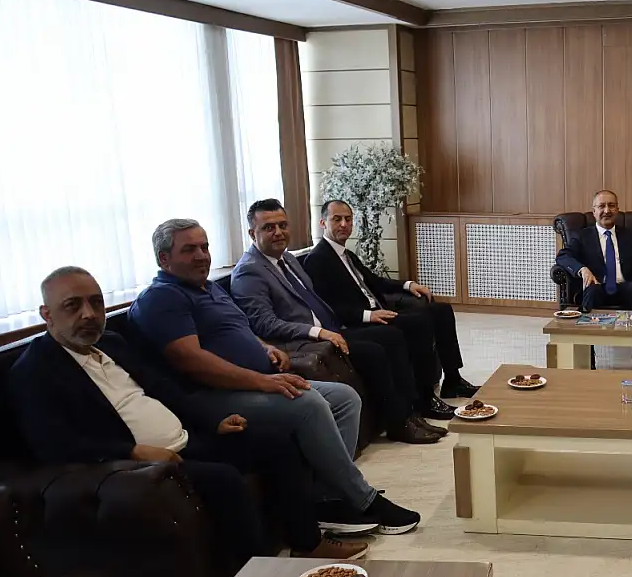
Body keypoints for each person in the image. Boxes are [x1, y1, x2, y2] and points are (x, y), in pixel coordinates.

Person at [7, 267, 369, 564]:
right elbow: (53, 443)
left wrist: (212, 422)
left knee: (275, 444)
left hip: (187, 438)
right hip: (143, 463)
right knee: (225, 480)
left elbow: (164, 388)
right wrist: (133, 452)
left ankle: (308, 542)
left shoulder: (112, 344)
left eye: (96, 302)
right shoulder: (35, 371)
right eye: (73, 306)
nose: (89, 314)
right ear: (47, 314)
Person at [128, 217, 421, 536]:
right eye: (189, 250)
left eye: (205, 247)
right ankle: (363, 499)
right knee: (308, 404)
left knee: (344, 398)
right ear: (164, 258)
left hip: (255, 381)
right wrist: (264, 381)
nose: (202, 255)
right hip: (213, 397)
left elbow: (238, 329)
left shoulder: (208, 288)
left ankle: (328, 500)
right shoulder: (162, 298)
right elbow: (192, 361)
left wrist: (265, 347)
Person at [229, 199, 446, 444]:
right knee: (374, 350)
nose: (278, 232)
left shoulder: (287, 259)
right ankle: (399, 423)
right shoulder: (249, 271)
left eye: (283, 225)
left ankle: (411, 412)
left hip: (330, 327)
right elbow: (264, 323)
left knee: (393, 335)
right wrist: (317, 332)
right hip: (306, 340)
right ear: (252, 233)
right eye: (269, 228)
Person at [304, 199, 479, 400]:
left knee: (442, 310)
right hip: (360, 321)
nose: (344, 224)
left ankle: (453, 381)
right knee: (419, 322)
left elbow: (376, 282)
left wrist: (408, 284)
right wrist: (368, 315)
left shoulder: (347, 255)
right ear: (323, 223)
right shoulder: (318, 259)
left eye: (348, 219)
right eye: (337, 219)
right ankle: (425, 397)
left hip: (380, 310)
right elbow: (327, 306)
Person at [554, 190, 632, 312]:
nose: (607, 211)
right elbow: (563, 256)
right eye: (601, 206)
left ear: (617, 210)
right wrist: (582, 270)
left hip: (626, 287)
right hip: (597, 287)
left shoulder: (629, 236)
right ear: (594, 212)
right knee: (592, 291)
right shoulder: (582, 236)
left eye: (611, 206)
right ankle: (587, 323)